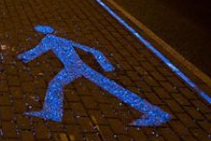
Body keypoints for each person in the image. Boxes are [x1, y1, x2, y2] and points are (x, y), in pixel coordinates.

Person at [19, 25, 169, 126]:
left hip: (77, 67)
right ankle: (52, 112)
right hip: (78, 67)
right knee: (57, 84)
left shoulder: (49, 40)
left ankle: (154, 113)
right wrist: (107, 67)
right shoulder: (62, 39)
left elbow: (36, 51)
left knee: (110, 87)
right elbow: (93, 50)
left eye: (40, 29)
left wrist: (23, 57)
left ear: (44, 31)